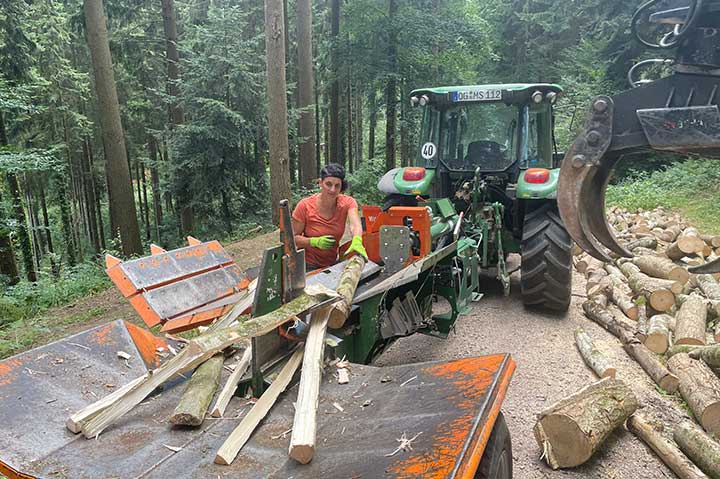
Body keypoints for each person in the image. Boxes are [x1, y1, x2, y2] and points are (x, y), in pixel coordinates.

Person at [292, 163, 367, 271]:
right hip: (306, 266)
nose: (332, 190)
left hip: (331, 264)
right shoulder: (305, 205)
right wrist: (313, 242)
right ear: (320, 183)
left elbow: (355, 224)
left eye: (337, 186)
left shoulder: (348, 202)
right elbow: (292, 239)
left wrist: (357, 240)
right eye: (328, 184)